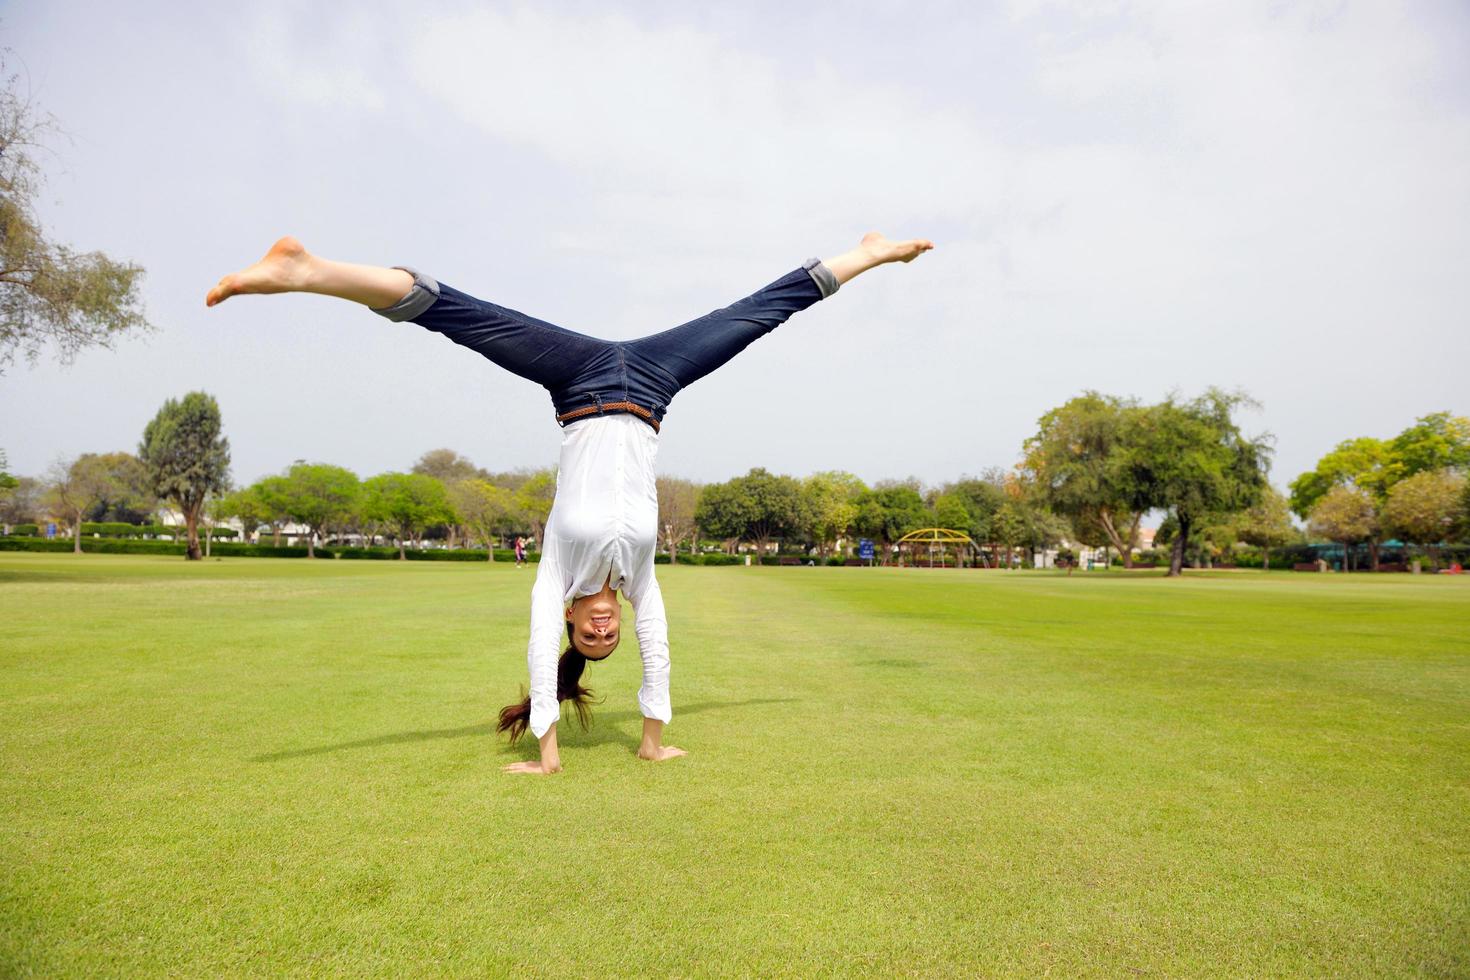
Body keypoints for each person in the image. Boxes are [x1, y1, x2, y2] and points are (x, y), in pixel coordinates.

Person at [205, 231, 933, 774]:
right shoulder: (639, 581)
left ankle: (305, 270)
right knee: (757, 314)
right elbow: (661, 654)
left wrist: (547, 754)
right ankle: (866, 254)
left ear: (572, 623)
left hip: (581, 383)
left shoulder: (556, 576)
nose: (606, 631)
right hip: (651, 385)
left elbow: (535, 650)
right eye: (607, 638)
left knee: (458, 313)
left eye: (591, 637)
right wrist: (652, 741)